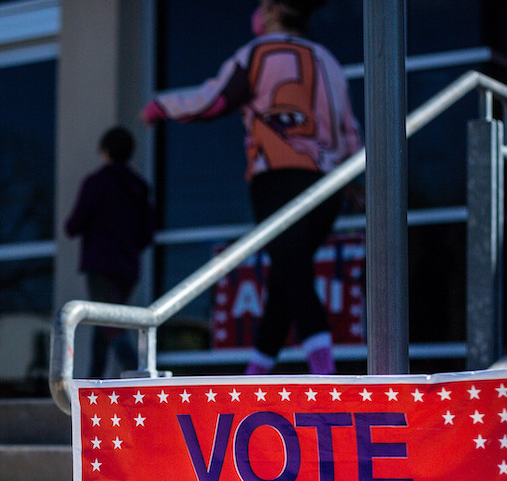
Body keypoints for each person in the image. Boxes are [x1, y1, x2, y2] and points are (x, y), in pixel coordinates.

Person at [142, 0, 361, 375]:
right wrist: (355, 184)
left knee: (293, 275)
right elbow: (350, 132)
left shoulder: (257, 52)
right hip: (326, 186)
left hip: (277, 177)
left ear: (275, 9)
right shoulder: (330, 61)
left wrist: (162, 106)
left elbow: (214, 100)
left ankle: (326, 376)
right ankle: (255, 374)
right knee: (286, 278)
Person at [65, 126, 156, 378]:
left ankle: (142, 376)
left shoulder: (96, 183)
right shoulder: (138, 188)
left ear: (104, 151)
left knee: (110, 325)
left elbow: (73, 225)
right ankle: (93, 384)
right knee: (103, 326)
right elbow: (147, 234)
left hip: (101, 266)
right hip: (127, 267)